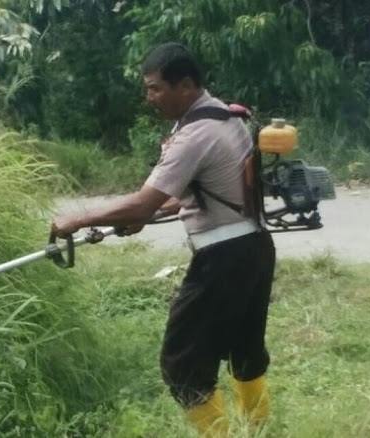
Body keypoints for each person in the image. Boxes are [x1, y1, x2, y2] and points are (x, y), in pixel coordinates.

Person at [51, 42, 276, 437]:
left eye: (155, 88)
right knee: (246, 352)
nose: (149, 97)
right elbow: (194, 192)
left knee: (182, 365)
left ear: (185, 85)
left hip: (223, 259)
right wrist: (149, 214)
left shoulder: (194, 135)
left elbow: (141, 202)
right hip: (255, 249)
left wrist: (77, 219)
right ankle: (258, 431)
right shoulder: (223, 115)